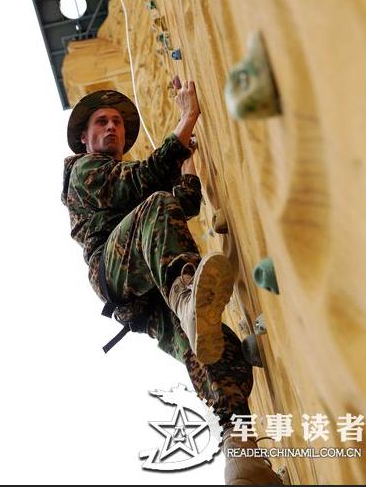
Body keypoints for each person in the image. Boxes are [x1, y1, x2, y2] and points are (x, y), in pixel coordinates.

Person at [61, 78, 283, 485]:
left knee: (214, 348)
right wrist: (187, 118)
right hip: (116, 275)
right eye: (101, 122)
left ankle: (243, 458)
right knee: (156, 207)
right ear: (84, 137)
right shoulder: (83, 172)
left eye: (117, 123)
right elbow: (141, 187)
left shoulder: (137, 180)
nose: (112, 127)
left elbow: (185, 204)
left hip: (147, 289)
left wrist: (188, 166)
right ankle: (185, 296)